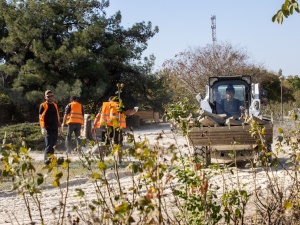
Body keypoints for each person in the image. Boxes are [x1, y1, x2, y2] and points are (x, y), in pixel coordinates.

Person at [92, 96, 137, 162]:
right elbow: (129, 112)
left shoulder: (104, 106)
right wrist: (135, 110)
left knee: (104, 143)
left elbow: (97, 116)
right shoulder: (118, 106)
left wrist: (94, 126)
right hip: (117, 128)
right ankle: (120, 160)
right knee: (119, 143)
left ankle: (102, 159)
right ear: (116, 100)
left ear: (109, 100)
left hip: (107, 127)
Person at [39, 90, 61, 165]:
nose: (50, 97)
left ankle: (51, 161)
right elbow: (41, 118)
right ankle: (46, 162)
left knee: (53, 146)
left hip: (55, 128)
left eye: (51, 96)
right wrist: (42, 127)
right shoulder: (43, 105)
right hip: (48, 128)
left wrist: (60, 126)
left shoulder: (55, 105)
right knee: (48, 145)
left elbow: (57, 116)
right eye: (48, 96)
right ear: (45, 97)